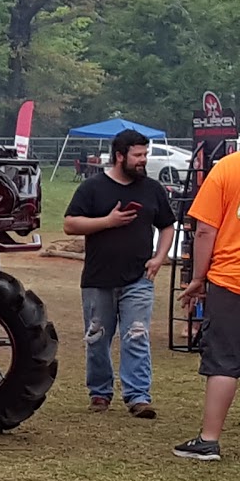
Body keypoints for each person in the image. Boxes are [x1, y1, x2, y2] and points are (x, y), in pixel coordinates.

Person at [63, 129, 176, 418]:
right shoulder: (92, 188)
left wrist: (159, 258)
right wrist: (108, 221)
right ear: (120, 156)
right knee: (98, 336)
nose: (143, 161)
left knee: (136, 335)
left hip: (139, 278)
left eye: (145, 155)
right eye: (138, 155)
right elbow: (70, 224)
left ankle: (138, 396)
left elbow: (167, 226)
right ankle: (99, 392)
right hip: (98, 279)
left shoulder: (152, 189)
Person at [173, 150, 240, 460]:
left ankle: (209, 439)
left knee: (225, 360)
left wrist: (198, 277)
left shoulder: (227, 168)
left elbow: (204, 229)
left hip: (231, 279)